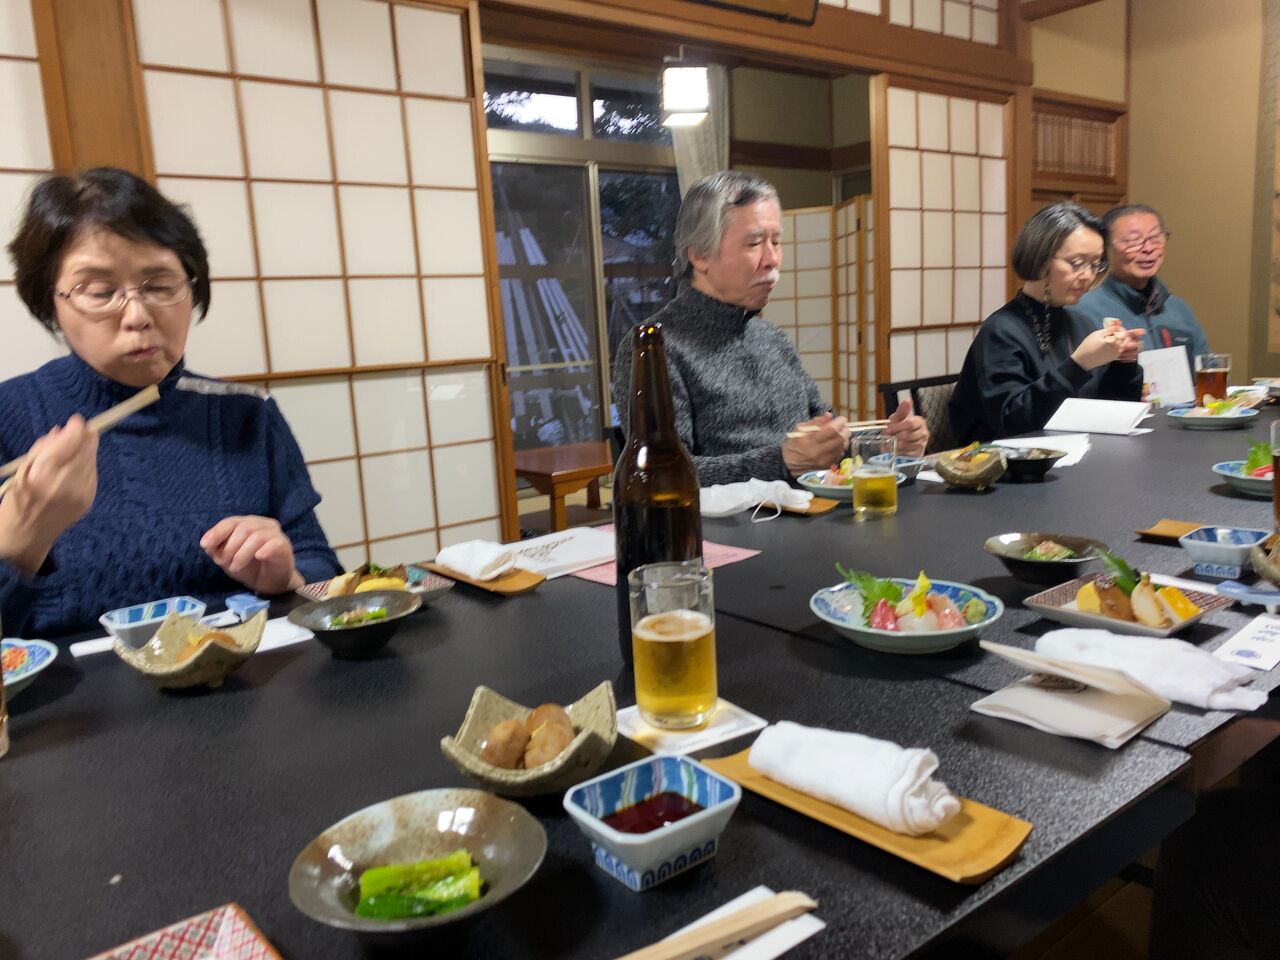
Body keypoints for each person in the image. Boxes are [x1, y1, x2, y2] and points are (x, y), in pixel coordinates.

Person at [0, 167, 340, 637]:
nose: (137, 315)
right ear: (49, 301)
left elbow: (324, 572)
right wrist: (21, 543)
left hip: (244, 675)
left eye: (160, 286)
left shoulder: (245, 413)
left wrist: (287, 577)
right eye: (100, 292)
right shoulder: (10, 417)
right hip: (76, 687)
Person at [611, 170, 928, 486]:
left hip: (811, 510)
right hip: (732, 520)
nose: (772, 259)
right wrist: (782, 462)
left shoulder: (772, 339)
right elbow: (660, 475)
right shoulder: (654, 348)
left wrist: (886, 445)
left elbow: (828, 434)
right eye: (754, 243)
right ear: (699, 254)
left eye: (776, 242)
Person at [949, 202, 1146, 443]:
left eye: (1095, 264)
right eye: (1076, 263)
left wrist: (1124, 363)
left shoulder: (1081, 323)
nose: (1087, 275)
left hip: (1080, 453)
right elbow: (1012, 422)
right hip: (1005, 460)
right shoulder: (1000, 331)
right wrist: (1079, 364)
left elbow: (1111, 413)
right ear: (1040, 260)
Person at [1075, 203, 1209, 362]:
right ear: (1105, 248)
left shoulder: (1179, 309)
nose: (1148, 248)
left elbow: (1206, 367)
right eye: (1133, 241)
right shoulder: (1082, 310)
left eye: (1155, 238)